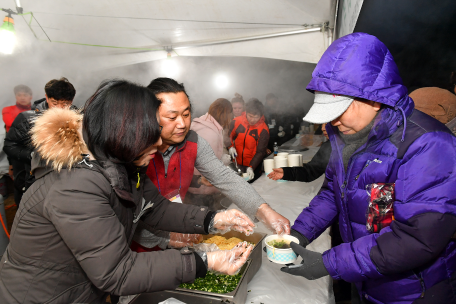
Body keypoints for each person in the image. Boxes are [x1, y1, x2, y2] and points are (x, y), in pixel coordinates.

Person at [0, 79, 254, 304]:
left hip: (82, 290)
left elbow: (157, 210)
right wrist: (205, 262)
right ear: (123, 133)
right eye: (149, 133)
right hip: (43, 296)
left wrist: (213, 220)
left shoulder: (122, 165)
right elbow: (117, 271)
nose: (157, 142)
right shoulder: (75, 184)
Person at [280, 33, 456, 304]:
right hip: (366, 279)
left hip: (414, 292)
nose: (333, 121)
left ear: (373, 99)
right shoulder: (348, 136)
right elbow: (332, 193)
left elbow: (416, 237)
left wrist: (330, 263)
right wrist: (300, 233)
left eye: (339, 109)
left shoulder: (429, 144)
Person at [133, 78, 289, 253]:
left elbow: (224, 178)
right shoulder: (135, 151)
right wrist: (165, 238)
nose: (183, 124)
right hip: (135, 249)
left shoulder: (193, 142)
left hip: (175, 229)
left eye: (186, 114)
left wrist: (263, 210)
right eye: (172, 117)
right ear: (148, 116)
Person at [3, 77, 77, 206]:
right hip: (38, 180)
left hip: (71, 180)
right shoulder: (28, 119)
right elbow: (10, 146)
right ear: (46, 97)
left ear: (71, 101)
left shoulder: (79, 118)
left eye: (65, 104)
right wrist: (32, 155)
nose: (59, 108)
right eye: (54, 103)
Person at [185, 98, 233, 210]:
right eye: (231, 114)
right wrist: (222, 163)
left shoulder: (204, 123)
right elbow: (205, 165)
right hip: (201, 188)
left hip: (191, 185)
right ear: (226, 114)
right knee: (204, 220)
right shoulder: (210, 133)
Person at [229, 98, 269, 183]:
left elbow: (260, 151)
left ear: (261, 116)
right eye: (250, 116)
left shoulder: (263, 129)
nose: (252, 120)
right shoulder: (236, 121)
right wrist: (230, 146)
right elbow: (228, 136)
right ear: (246, 112)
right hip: (236, 163)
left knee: (253, 187)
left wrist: (251, 167)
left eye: (256, 117)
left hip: (253, 165)